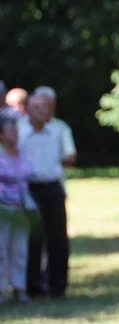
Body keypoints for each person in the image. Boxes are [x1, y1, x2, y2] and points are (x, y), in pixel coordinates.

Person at [18, 94, 70, 299]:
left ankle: (58, 286)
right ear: (28, 110)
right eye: (36, 107)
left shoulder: (56, 132)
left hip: (53, 187)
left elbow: (65, 158)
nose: (41, 111)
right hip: (30, 187)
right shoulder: (21, 133)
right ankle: (34, 286)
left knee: (58, 238)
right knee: (33, 238)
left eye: (44, 107)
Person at [0, 113, 32, 304]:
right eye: (11, 131)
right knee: (0, 250)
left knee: (20, 249)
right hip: (3, 208)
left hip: (21, 207)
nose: (15, 134)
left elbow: (26, 172)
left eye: (16, 130)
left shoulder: (21, 152)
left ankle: (19, 289)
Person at [29, 87, 76, 169]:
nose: (43, 110)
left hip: (53, 179)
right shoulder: (19, 126)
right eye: (40, 106)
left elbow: (71, 157)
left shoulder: (62, 127)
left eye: (49, 105)